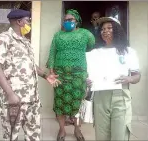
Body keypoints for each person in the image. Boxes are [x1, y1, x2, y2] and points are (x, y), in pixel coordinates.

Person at [0, 9, 60, 141]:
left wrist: (45, 75)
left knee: (33, 135)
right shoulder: (3, 39)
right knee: (11, 136)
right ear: (19, 21)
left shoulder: (25, 41)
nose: (29, 24)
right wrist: (10, 94)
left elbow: (31, 65)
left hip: (32, 99)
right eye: (28, 21)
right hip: (14, 100)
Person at [86, 17, 141, 141]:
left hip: (120, 96)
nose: (105, 31)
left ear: (117, 30)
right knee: (101, 135)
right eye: (103, 29)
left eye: (109, 28)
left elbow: (137, 76)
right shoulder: (95, 53)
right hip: (100, 97)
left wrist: (129, 79)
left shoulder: (129, 52)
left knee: (120, 135)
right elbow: (89, 75)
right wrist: (88, 81)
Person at [46, 9, 95, 141]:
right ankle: (62, 130)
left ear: (77, 21)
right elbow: (52, 52)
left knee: (78, 103)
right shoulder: (57, 35)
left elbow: (91, 48)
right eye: (65, 20)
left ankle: (77, 130)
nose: (67, 22)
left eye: (70, 20)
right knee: (60, 103)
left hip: (79, 74)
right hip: (60, 74)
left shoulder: (86, 34)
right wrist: (51, 70)